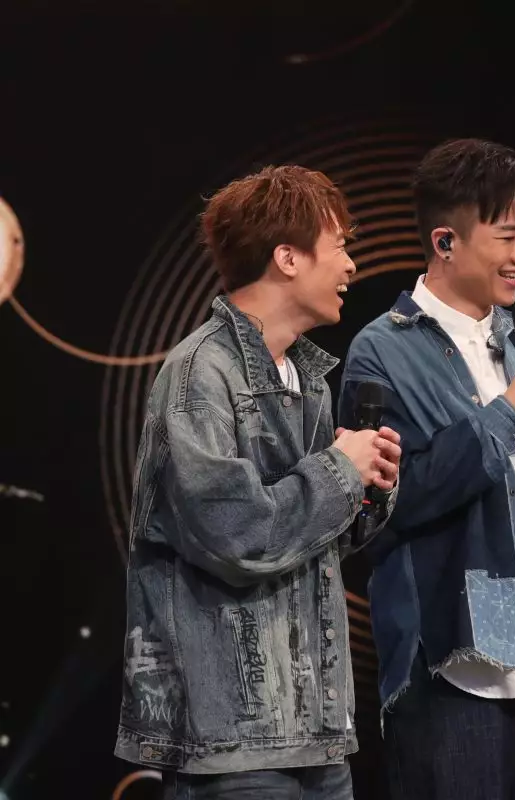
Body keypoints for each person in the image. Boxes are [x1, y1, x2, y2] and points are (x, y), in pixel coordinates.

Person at [340, 138, 515, 800]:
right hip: (458, 660)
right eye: (507, 237)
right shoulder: (382, 350)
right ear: (445, 242)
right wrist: (510, 412)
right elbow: (393, 502)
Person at [114, 165, 403, 800]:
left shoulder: (309, 380)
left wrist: (369, 487)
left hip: (318, 732)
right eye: (339, 247)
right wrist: (338, 470)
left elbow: (310, 540)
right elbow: (236, 536)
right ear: (287, 258)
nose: (351, 265)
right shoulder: (199, 373)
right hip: (232, 742)